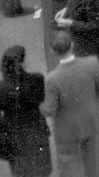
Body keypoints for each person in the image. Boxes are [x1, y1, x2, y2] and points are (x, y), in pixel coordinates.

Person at [39, 31, 99, 177]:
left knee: (71, 164)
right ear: (72, 45)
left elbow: (50, 110)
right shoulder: (92, 63)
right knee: (91, 159)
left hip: (67, 130)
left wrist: (40, 106)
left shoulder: (52, 79)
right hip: (90, 121)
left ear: (52, 51)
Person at [0, 45, 51, 177]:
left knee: (20, 171)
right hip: (36, 131)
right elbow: (40, 99)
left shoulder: (2, 87)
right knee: (41, 170)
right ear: (22, 62)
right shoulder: (37, 79)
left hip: (14, 136)